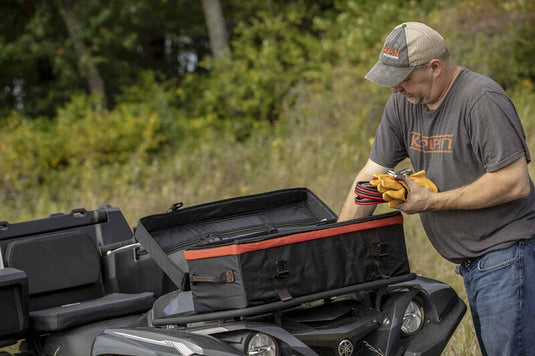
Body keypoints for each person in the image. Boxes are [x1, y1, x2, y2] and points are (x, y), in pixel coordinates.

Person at [338, 22, 535, 356]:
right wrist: (337, 246)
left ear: (435, 67)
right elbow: (370, 176)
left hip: (508, 258)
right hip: (473, 265)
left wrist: (432, 201)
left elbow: (514, 182)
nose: (395, 88)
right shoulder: (404, 104)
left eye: (403, 79)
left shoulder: (480, 99)